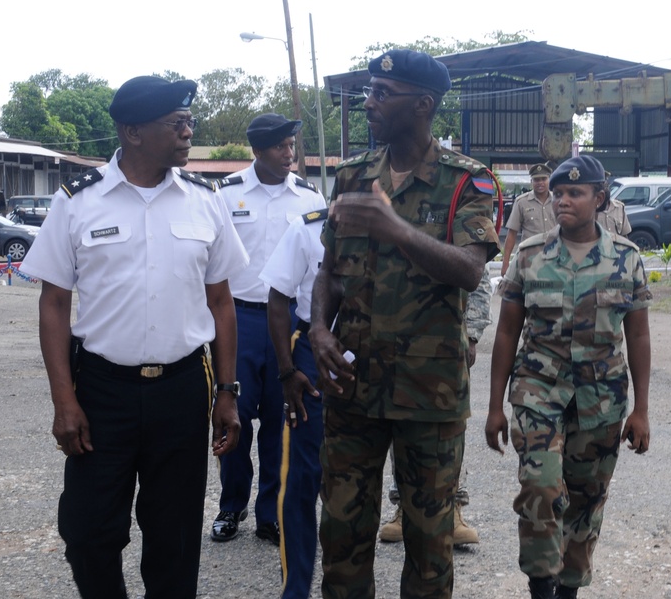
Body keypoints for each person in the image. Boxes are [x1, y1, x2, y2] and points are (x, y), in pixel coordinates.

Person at [19, 75, 249, 599]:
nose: (190, 132)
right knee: (87, 532)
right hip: (102, 391)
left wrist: (227, 393)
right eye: (178, 123)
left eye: (189, 121)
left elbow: (221, 302)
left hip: (182, 387)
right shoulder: (79, 202)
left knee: (175, 537)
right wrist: (64, 401)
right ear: (133, 132)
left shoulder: (204, 200)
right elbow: (54, 304)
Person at [309, 48, 500, 599]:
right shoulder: (351, 176)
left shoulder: (468, 182)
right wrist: (320, 329)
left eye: (380, 94)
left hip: (429, 392)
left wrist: (397, 229)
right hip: (352, 387)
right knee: (341, 535)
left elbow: (468, 269)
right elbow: (330, 272)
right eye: (368, 92)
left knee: (429, 542)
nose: (369, 103)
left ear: (422, 105)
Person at [485, 154, 653, 599]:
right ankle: (541, 586)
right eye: (558, 193)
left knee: (586, 499)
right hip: (538, 391)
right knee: (540, 489)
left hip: (601, 398)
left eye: (574, 193)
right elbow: (506, 331)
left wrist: (642, 410)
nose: (562, 201)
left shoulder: (626, 259)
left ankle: (569, 590)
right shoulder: (530, 255)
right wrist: (494, 407)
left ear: (599, 198)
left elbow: (638, 335)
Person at [211, 113, 326, 546]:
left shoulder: (307, 198)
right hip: (238, 321)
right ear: (258, 150)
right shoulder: (225, 194)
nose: (289, 153)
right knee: (234, 415)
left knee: (283, 420)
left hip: (287, 325)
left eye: (291, 145)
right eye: (280, 147)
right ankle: (231, 505)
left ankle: (270, 511)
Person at [378, 266, 493, 545]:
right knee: (399, 421)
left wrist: (472, 335)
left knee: (450, 429)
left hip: (447, 342)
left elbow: (478, 279)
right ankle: (404, 506)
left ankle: (452, 508)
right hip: (399, 341)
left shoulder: (453, 222)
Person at [260, 206, 328, 599]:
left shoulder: (400, 223)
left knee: (356, 478)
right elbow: (277, 296)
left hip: (375, 349)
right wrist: (287, 372)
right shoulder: (308, 228)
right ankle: (296, 589)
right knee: (302, 478)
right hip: (312, 355)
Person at [501, 162, 555, 276]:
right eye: (536, 180)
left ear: (549, 180)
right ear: (531, 182)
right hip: (530, 260)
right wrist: (505, 263)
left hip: (555, 258)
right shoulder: (521, 202)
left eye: (543, 179)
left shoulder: (558, 201)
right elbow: (512, 233)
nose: (540, 183)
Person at [596, 172, 631, 237]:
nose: (605, 189)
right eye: (602, 187)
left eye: (606, 186)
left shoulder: (619, 207)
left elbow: (624, 236)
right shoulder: (590, 210)